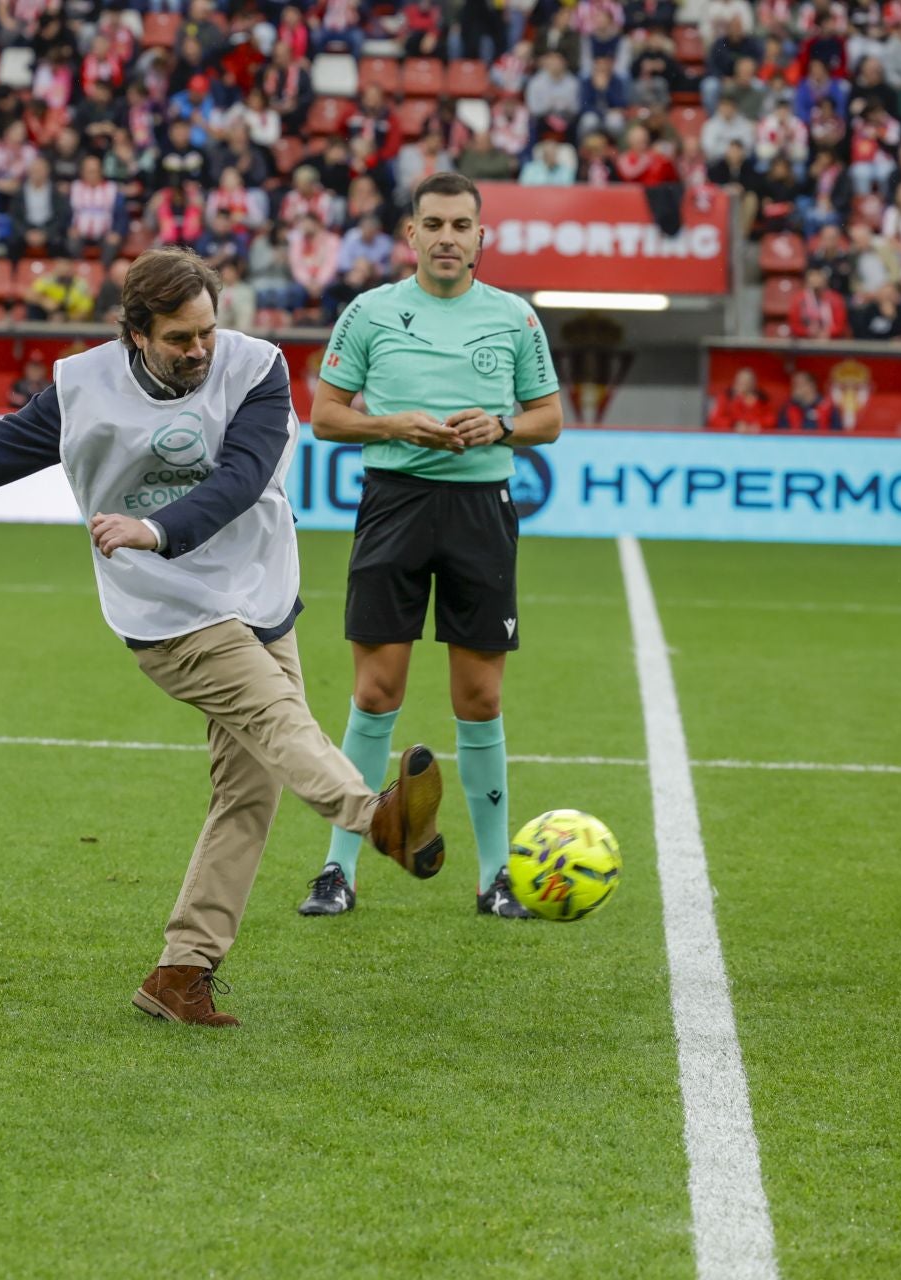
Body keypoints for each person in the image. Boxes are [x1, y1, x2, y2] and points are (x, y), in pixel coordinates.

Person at [0, 248, 449, 1025]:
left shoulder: (258, 368)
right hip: (165, 608)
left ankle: (181, 972)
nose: (200, 350)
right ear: (134, 334)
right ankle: (372, 816)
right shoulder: (82, 386)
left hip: (256, 589)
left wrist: (155, 525)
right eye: (180, 338)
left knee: (249, 790)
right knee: (280, 719)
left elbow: (240, 479)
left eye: (207, 331)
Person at [298, 173, 563, 919]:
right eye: (434, 224)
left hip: (482, 509)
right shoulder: (371, 312)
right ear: (410, 235)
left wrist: (502, 427)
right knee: (376, 691)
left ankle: (494, 878)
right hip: (396, 505)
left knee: (479, 698)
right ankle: (337, 869)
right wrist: (394, 424)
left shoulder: (514, 317)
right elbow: (324, 415)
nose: (448, 237)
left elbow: (549, 417)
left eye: (461, 224)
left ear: (484, 236)